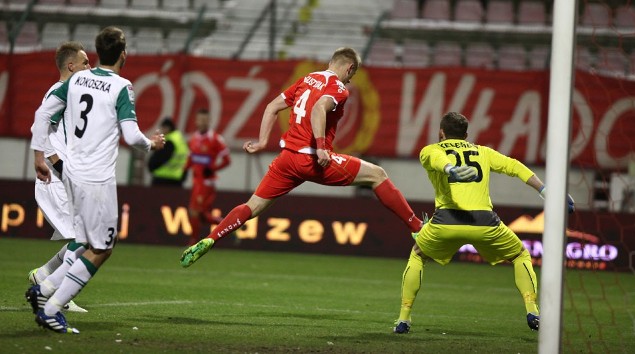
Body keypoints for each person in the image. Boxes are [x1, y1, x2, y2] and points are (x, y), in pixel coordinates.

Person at [180, 47, 424, 267]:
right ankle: (417, 229)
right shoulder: (339, 88)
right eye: (353, 74)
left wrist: (263, 142)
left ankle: (210, 239)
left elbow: (272, 107)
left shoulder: (307, 79)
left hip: (286, 159)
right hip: (312, 159)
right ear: (349, 68)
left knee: (252, 206)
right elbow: (319, 108)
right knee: (377, 175)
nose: (351, 79)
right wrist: (320, 146)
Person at [27, 26, 165, 334]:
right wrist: (151, 144)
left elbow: (42, 113)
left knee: (86, 241)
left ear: (98, 53)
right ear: (124, 55)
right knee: (103, 247)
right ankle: (50, 306)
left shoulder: (75, 79)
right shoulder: (121, 87)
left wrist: (39, 155)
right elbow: (130, 134)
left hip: (72, 174)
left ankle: (45, 287)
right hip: (96, 178)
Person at [392, 112, 575, 334]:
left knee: (418, 254)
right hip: (485, 223)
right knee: (520, 255)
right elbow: (514, 166)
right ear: (466, 135)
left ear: (441, 132)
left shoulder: (431, 150)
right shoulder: (483, 152)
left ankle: (403, 319)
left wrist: (451, 170)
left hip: (447, 220)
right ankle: (532, 311)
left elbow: (438, 161)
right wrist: (546, 191)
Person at [27, 41, 91, 314]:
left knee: (85, 236)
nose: (90, 66)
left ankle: (44, 276)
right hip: (54, 178)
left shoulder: (75, 95)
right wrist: (51, 161)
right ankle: (57, 291)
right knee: (85, 237)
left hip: (66, 177)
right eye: (86, 62)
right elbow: (39, 125)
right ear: (71, 65)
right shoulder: (58, 91)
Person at [183, 108, 231, 246]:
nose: (202, 122)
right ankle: (229, 227)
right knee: (202, 215)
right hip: (196, 180)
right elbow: (191, 158)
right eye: (199, 119)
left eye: (204, 120)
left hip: (207, 182)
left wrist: (213, 169)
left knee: (194, 211)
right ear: (196, 121)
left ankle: (193, 242)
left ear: (209, 121)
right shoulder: (193, 138)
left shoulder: (215, 139)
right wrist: (184, 169)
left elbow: (227, 160)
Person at [147, 117, 189, 187]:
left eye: (162, 128)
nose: (161, 131)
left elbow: (158, 159)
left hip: (163, 180)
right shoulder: (180, 140)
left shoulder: (169, 142)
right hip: (177, 180)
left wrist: (151, 166)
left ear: (167, 128)